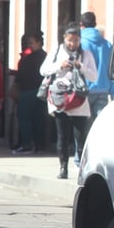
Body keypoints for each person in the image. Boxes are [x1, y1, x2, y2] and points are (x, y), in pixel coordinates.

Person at [41, 26, 97, 179]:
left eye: (76, 40)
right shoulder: (57, 52)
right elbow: (43, 70)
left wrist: (81, 66)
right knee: (62, 136)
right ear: (64, 38)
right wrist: (60, 66)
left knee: (81, 137)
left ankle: (82, 169)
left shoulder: (86, 54)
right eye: (70, 40)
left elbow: (94, 76)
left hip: (78, 100)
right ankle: (63, 167)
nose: (73, 44)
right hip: (61, 100)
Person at [11, 32, 48, 154]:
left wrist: (16, 85)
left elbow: (21, 75)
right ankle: (40, 145)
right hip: (41, 91)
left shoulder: (29, 59)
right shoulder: (46, 57)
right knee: (39, 119)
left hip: (28, 91)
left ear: (39, 43)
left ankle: (26, 144)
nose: (29, 45)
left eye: (31, 43)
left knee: (24, 118)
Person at [78, 11, 114, 119]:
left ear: (81, 24)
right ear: (95, 24)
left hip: (83, 89)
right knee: (99, 123)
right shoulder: (107, 44)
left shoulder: (79, 43)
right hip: (103, 88)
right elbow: (112, 68)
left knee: (83, 127)